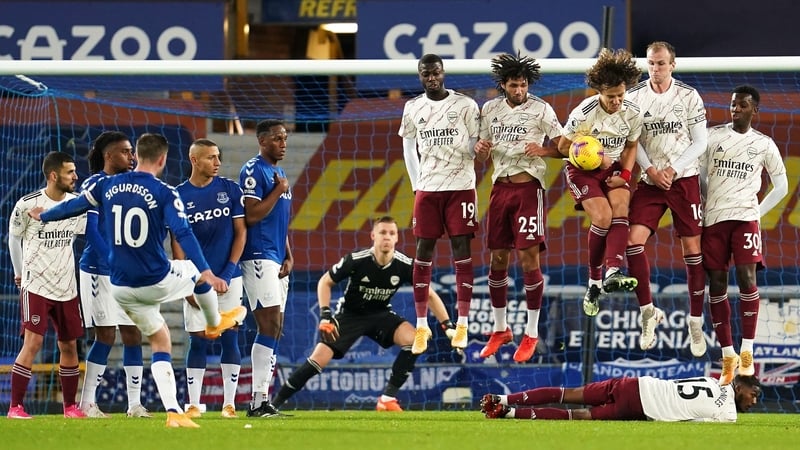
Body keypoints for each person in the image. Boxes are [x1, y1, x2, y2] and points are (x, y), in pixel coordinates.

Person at [32, 133, 247, 428]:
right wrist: (207, 271)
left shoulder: (106, 185)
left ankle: (173, 412)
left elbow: (75, 206)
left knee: (160, 339)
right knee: (196, 275)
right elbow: (183, 235)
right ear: (161, 160)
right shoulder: (165, 192)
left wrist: (44, 217)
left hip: (121, 287)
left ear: (139, 156)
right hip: (153, 279)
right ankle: (214, 322)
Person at [271, 216, 457, 412]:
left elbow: (429, 294)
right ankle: (274, 404)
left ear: (396, 239)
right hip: (350, 315)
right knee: (317, 360)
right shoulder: (357, 260)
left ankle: (386, 399)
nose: (387, 237)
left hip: (381, 314)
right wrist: (325, 314)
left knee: (415, 341)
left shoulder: (405, 265)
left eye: (391, 233)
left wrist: (447, 325)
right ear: (373, 236)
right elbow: (325, 281)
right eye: (383, 233)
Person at [473, 53, 563, 363]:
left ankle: (532, 332)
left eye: (523, 85)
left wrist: (545, 150)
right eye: (514, 85)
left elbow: (565, 146)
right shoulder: (490, 109)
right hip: (499, 189)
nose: (520, 90)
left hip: (529, 190)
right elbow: (482, 153)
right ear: (503, 85)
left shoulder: (541, 109)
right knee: (498, 258)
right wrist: (481, 149)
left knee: (528, 259)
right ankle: (501, 329)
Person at [700, 85, 788, 385]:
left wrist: (757, 212)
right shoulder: (713, 137)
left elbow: (782, 185)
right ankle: (727, 354)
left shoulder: (763, 144)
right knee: (717, 283)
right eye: (733, 104)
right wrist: (703, 203)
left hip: (745, 220)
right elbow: (699, 176)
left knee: (748, 278)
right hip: (713, 219)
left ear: (755, 110)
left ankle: (747, 350)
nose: (736, 109)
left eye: (742, 105)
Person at [625, 41, 709, 353]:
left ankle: (696, 321)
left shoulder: (688, 95)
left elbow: (700, 141)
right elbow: (634, 141)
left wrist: (673, 169)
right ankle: (648, 312)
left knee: (692, 247)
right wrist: (650, 169)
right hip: (650, 181)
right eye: (651, 64)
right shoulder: (635, 97)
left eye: (661, 64)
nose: (656, 69)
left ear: (672, 65)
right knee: (633, 242)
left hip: (683, 179)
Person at [399, 53, 481, 355]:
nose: (431, 78)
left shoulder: (465, 105)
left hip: (460, 187)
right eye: (425, 74)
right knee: (422, 253)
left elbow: (475, 143)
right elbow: (408, 147)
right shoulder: (413, 108)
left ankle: (462, 323)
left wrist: (478, 147)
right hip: (428, 190)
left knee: (462, 251)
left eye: (435, 72)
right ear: (420, 76)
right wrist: (416, 184)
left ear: (443, 73)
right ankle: (421, 325)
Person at [558, 48, 643, 317]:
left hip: (614, 167)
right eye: (611, 97)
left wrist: (626, 175)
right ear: (599, 92)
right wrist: (594, 153)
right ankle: (594, 282)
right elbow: (562, 147)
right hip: (582, 170)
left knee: (621, 206)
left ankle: (613, 271)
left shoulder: (632, 113)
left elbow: (631, 146)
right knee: (603, 217)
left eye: (621, 95)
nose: (617, 101)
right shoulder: (584, 113)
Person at [76, 131, 152, 418]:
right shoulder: (95, 184)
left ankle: (134, 405)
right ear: (108, 155)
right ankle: (87, 404)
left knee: (133, 334)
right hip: (99, 270)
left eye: (132, 151)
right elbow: (91, 230)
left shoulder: (133, 186)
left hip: (127, 274)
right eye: (125, 151)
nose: (131, 157)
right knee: (105, 335)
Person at [7, 152, 87, 419]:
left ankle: (70, 407)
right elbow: (13, 238)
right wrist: (19, 272)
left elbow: (92, 232)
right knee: (33, 342)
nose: (76, 176)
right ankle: (15, 406)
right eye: (70, 172)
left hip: (67, 286)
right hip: (37, 284)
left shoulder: (76, 204)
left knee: (69, 346)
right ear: (54, 176)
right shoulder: (26, 204)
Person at [171, 139, 246, 419]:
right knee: (198, 340)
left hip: (229, 277)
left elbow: (241, 233)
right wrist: (186, 282)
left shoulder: (230, 190)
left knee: (230, 337)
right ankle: (193, 404)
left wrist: (227, 273)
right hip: (196, 281)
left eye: (218, 157)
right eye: (211, 158)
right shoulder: (177, 196)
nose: (217, 163)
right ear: (194, 160)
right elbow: (177, 243)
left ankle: (229, 404)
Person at [239, 119, 294, 417]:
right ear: (262, 141)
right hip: (258, 255)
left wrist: (289, 255)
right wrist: (278, 191)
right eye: (276, 139)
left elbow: (279, 220)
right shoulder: (253, 170)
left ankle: (263, 400)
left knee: (277, 327)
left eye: (284, 138)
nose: (283, 143)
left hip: (276, 256)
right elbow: (250, 215)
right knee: (268, 325)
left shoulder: (279, 173)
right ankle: (257, 401)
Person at [480, 374, 761, 421]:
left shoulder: (713, 379)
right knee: (576, 415)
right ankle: (508, 413)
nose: (755, 401)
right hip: (642, 405)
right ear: (739, 389)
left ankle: (502, 399)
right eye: (754, 394)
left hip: (635, 384)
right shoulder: (729, 415)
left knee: (570, 393)